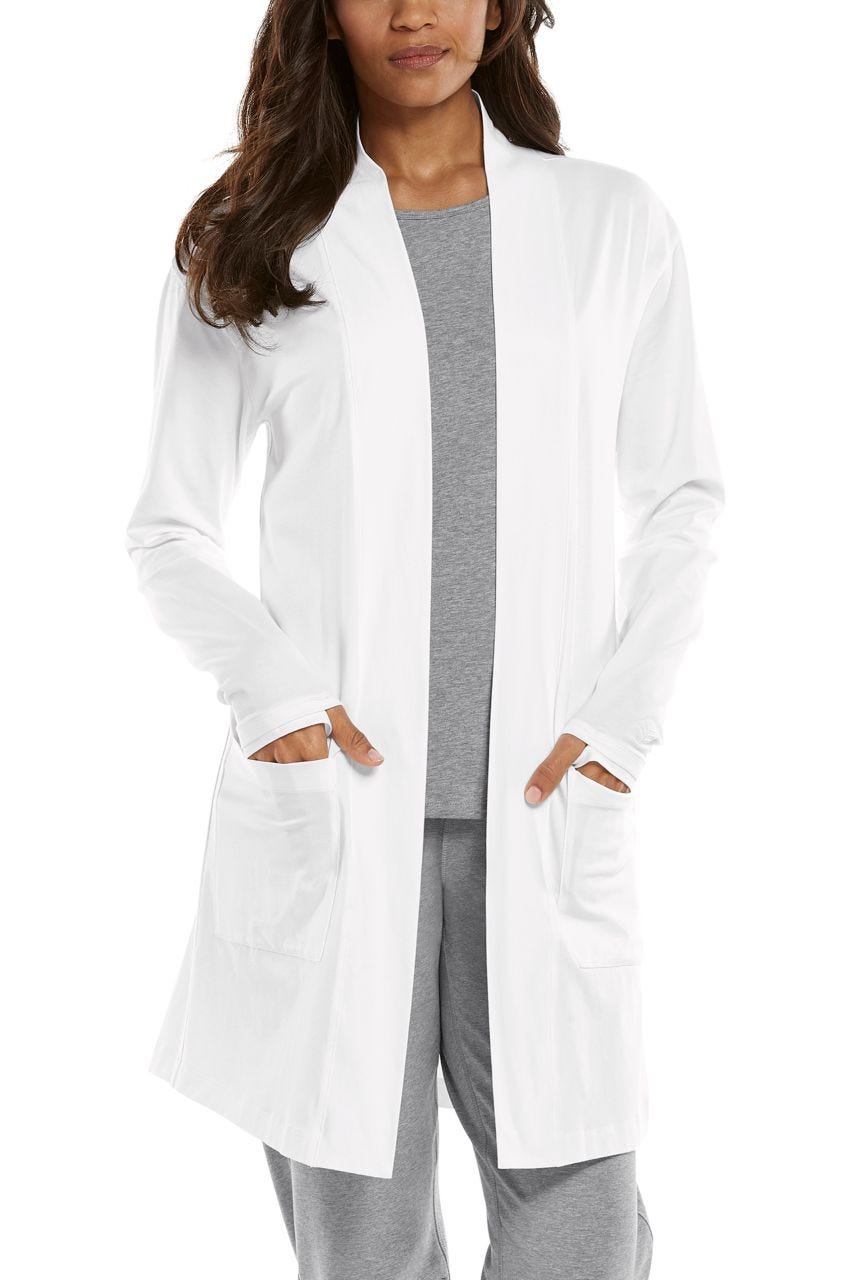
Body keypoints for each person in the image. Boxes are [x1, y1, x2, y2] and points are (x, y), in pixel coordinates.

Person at [125, 2, 724, 1276]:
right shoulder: (257, 234)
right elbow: (169, 529)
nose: (413, 13)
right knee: (364, 1252)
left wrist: (620, 719)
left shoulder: (610, 223)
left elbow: (682, 499)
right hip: (339, 819)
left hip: (544, 812)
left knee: (582, 1235)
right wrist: (275, 699)